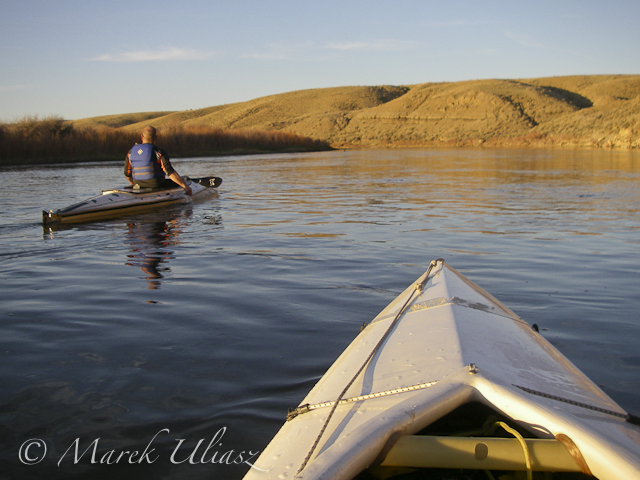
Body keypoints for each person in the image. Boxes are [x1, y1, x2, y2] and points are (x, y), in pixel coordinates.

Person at [124, 125, 192, 195]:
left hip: (138, 185)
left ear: (141, 137)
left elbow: (127, 174)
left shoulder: (131, 152)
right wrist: (185, 186)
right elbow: (169, 171)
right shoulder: (158, 152)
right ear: (156, 137)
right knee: (185, 179)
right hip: (156, 185)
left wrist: (133, 184)